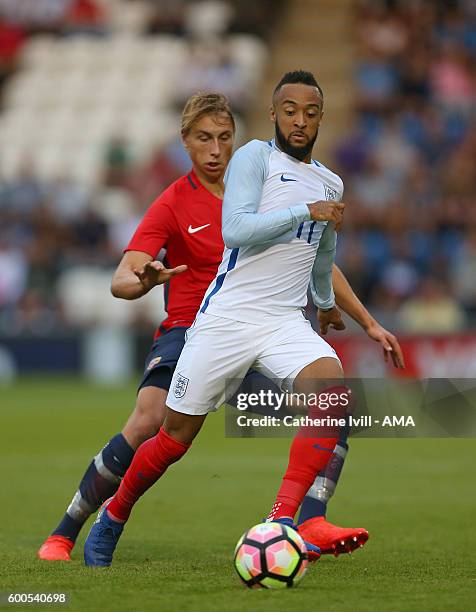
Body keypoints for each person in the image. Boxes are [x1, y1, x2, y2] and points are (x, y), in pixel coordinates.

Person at [83, 72, 404, 568]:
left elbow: (322, 254)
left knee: (332, 392)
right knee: (172, 439)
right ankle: (114, 515)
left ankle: (287, 521)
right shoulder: (254, 157)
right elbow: (235, 231)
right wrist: (306, 211)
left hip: (282, 321)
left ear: (322, 117)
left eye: (311, 112)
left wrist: (327, 302)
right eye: (290, 110)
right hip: (226, 319)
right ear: (274, 114)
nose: (301, 120)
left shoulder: (330, 182)